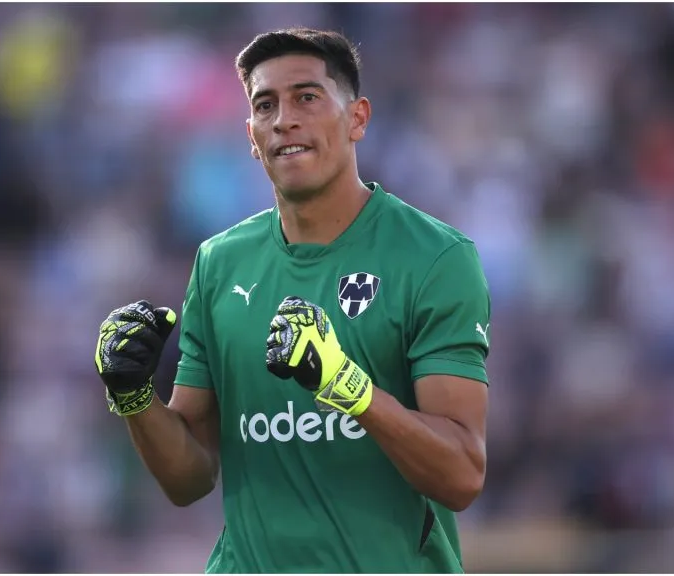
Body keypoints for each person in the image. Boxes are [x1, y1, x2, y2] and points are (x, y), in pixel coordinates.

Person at [94, 27, 491, 574]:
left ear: (357, 118)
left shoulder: (434, 258)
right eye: (265, 105)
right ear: (253, 137)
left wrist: (346, 387)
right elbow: (189, 478)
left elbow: (462, 475)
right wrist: (135, 399)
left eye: (307, 97)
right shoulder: (219, 263)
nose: (284, 119)